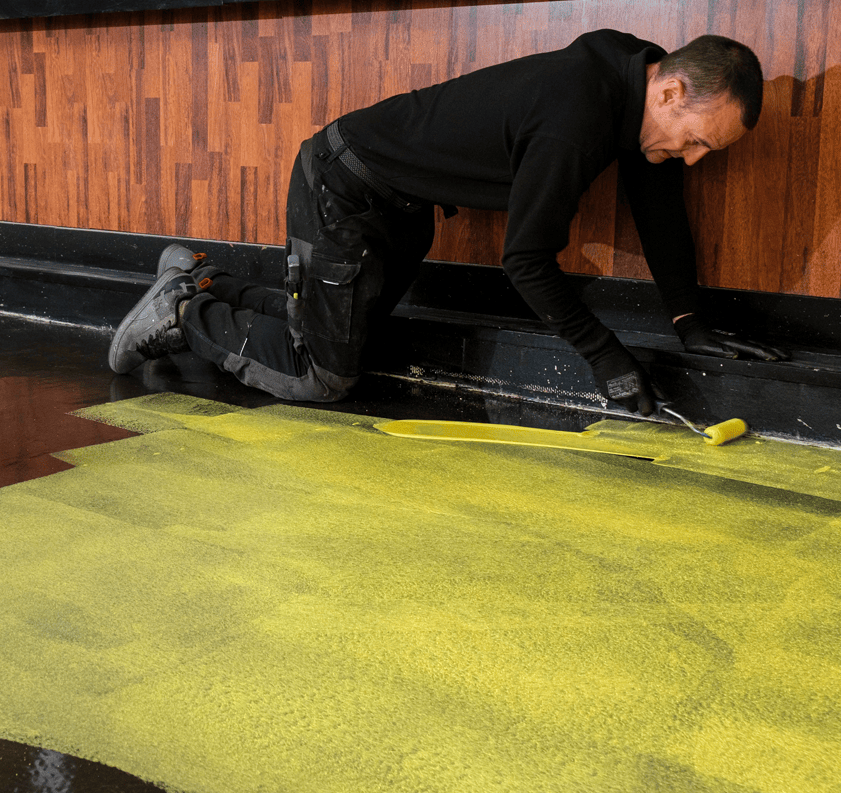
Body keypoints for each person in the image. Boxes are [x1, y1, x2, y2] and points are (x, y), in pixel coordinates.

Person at [109, 29, 787, 414]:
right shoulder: (575, 120)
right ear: (669, 91)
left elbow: (659, 205)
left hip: (400, 205)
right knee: (325, 376)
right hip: (341, 185)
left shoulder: (637, 79)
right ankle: (179, 312)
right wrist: (606, 357)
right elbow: (524, 262)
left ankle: (204, 283)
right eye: (696, 141)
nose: (693, 161)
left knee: (341, 341)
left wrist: (687, 323)